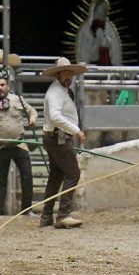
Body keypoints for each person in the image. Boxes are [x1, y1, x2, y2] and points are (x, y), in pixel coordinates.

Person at [0, 76, 38, 216]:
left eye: (2, 85)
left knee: (27, 175)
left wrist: (33, 119)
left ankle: (27, 209)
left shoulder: (18, 100)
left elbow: (32, 111)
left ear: (7, 86)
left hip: (19, 143)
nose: (0, 88)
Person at [39, 57, 89, 229]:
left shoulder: (61, 91)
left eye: (70, 73)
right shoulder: (55, 93)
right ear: (58, 74)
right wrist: (76, 131)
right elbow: (55, 116)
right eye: (65, 72)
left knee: (56, 176)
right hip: (58, 138)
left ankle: (47, 216)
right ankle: (63, 214)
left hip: (56, 137)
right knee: (73, 173)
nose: (68, 76)